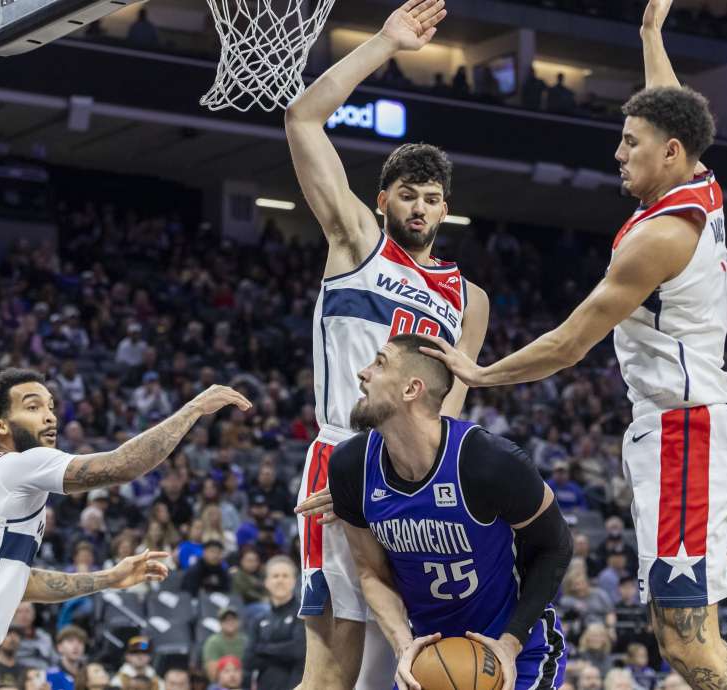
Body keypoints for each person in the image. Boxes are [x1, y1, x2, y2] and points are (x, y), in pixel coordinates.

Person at [421, 1, 727, 687]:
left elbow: (568, 344)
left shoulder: (657, 239)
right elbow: (676, 113)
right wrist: (649, 36)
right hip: (685, 431)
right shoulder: (700, 183)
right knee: (701, 647)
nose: (618, 152)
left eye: (630, 142)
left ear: (669, 152)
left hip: (684, 433)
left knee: (689, 650)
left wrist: (480, 372)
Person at [284, 0, 490, 687]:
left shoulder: (469, 297)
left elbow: (455, 407)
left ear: (446, 207)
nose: (420, 208)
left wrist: (443, 492)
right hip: (344, 457)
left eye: (432, 198)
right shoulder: (355, 244)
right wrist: (384, 43)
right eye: (408, 195)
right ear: (382, 201)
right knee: (333, 669)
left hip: (416, 484)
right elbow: (302, 119)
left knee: (410, 668)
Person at [0, 368, 250, 690]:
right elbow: (121, 465)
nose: (48, 417)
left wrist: (108, 578)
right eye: (32, 407)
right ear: (0, 426)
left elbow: (20, 582)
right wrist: (193, 410)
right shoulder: (20, 465)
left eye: (50, 407)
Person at [323, 335, 572, 690]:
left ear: (412, 388)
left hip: (515, 651)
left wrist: (509, 642)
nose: (363, 373)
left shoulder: (487, 461)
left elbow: (556, 547)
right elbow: (371, 573)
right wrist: (404, 645)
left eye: (379, 363)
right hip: (429, 659)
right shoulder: (351, 466)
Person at [242, 556, 304, 690]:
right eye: (275, 576)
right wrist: (284, 650)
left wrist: (263, 648)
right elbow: (248, 660)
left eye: (285, 576)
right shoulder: (258, 620)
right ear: (266, 582)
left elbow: (298, 651)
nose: (280, 580)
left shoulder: (303, 615)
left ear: (294, 581)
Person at [201, 609, 246, 680]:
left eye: (233, 619)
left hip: (243, 681)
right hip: (220, 683)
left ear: (239, 622)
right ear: (220, 623)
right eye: (225, 620)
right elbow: (212, 674)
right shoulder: (213, 642)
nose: (230, 622)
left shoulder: (245, 641)